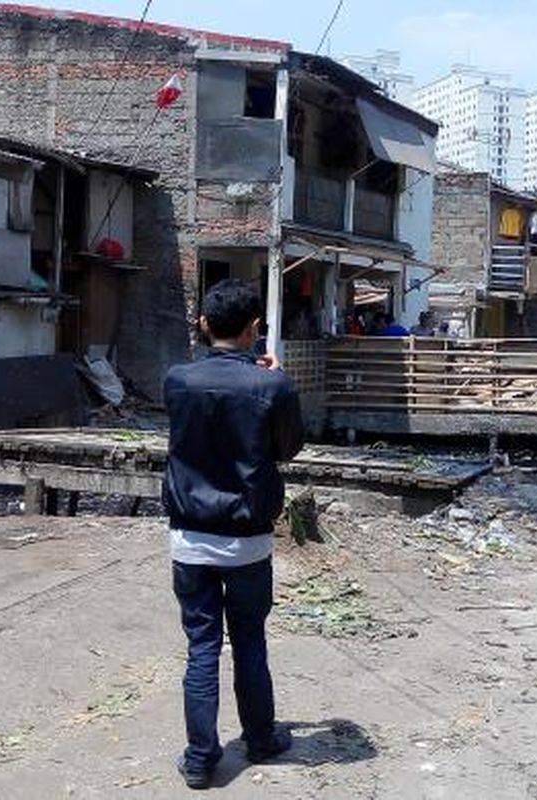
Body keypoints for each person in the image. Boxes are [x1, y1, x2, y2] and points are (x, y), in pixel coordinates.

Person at [162, 279, 304, 790]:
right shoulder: (273, 386)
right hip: (247, 539)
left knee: (202, 647)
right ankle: (260, 738)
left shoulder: (177, 380)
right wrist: (275, 382)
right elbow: (288, 450)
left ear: (203, 325)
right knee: (249, 641)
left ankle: (201, 758)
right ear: (255, 329)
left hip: (190, 537)